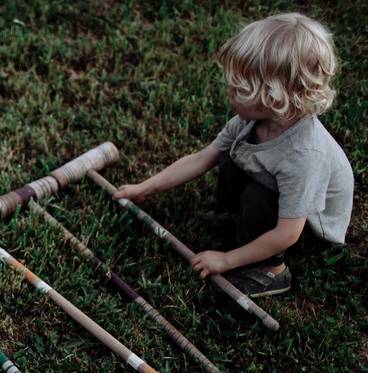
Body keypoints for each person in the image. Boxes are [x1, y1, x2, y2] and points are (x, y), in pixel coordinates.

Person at [114, 13, 354, 298]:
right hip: (278, 200)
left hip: (307, 230)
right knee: (230, 158)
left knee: (258, 197)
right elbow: (202, 159)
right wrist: (146, 187)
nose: (229, 93)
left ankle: (272, 271)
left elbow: (288, 233)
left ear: (275, 98)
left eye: (239, 89)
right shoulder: (251, 121)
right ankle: (236, 221)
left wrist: (226, 260)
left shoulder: (304, 155)